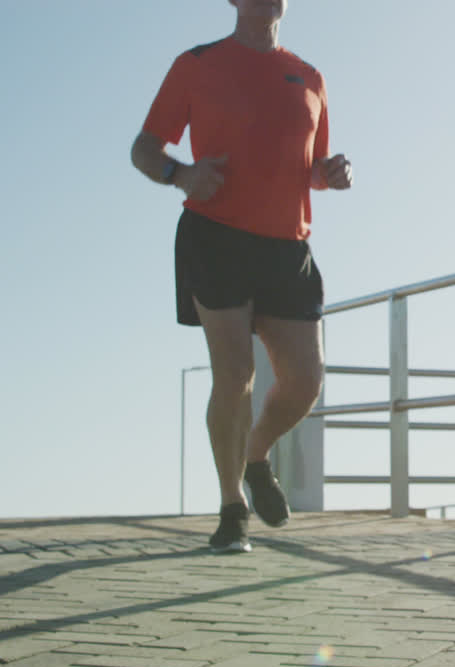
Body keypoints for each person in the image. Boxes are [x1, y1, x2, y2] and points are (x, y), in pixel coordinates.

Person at [131, 0, 352, 553]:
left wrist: (331, 174)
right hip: (216, 236)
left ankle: (255, 454)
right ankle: (233, 508)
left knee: (304, 381)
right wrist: (180, 174)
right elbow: (144, 149)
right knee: (235, 375)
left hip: (287, 247)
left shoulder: (311, 77)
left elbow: (312, 169)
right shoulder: (198, 63)